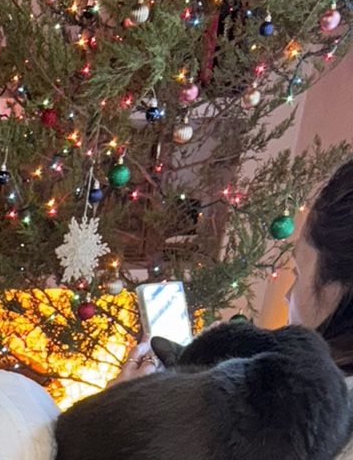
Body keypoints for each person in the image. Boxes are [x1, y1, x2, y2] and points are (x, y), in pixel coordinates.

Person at [114, 158, 353, 381]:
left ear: (339, 290)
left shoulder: (298, 400)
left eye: (298, 273)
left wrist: (126, 402)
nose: (287, 296)